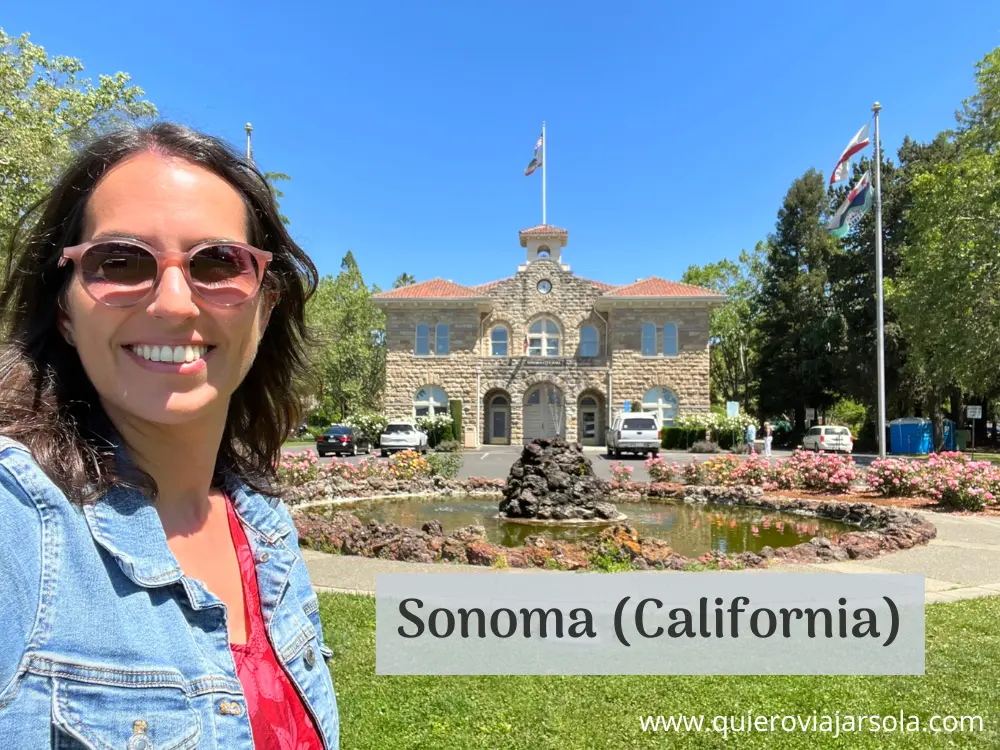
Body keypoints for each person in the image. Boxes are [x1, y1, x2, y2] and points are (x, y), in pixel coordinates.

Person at [0, 123, 338, 747]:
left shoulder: (260, 521)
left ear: (264, 310)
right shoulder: (20, 526)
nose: (175, 304)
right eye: (120, 262)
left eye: (218, 262)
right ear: (65, 312)